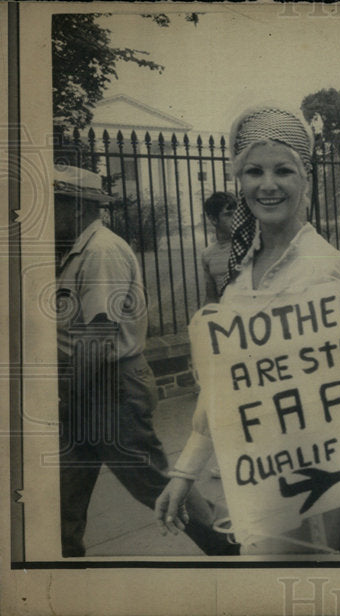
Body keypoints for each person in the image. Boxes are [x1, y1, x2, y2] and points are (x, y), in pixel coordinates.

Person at [154, 106, 340, 555]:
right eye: (254, 171)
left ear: (305, 178)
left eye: (283, 171)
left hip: (318, 487)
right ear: (239, 181)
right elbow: (226, 387)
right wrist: (185, 472)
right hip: (260, 478)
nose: (267, 184)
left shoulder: (326, 266)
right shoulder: (241, 271)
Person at [54, 165, 237, 557]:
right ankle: (59, 565)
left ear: (77, 206)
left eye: (54, 204)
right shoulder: (80, 249)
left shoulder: (100, 251)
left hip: (106, 388)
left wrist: (63, 396)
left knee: (156, 484)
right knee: (61, 491)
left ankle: (238, 550)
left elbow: (97, 338)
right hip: (88, 386)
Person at [200, 191, 236, 304]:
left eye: (238, 213)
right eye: (229, 214)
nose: (236, 218)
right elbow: (211, 298)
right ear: (213, 219)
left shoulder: (253, 246)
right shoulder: (208, 254)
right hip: (225, 317)